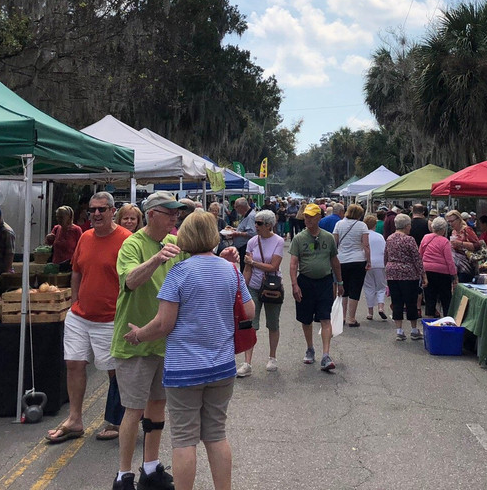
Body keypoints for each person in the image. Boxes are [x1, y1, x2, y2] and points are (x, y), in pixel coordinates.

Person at [125, 211, 252, 490]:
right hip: (222, 366)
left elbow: (163, 324)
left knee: (184, 439)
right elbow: (249, 311)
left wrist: (138, 335)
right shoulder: (230, 269)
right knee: (217, 435)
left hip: (184, 369)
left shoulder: (179, 273)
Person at [110, 191, 188, 490]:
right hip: (135, 341)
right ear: (152, 214)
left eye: (176, 213)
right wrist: (156, 259)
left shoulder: (172, 242)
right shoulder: (132, 244)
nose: (175, 217)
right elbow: (130, 280)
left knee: (157, 405)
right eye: (169, 213)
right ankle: (123, 474)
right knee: (133, 408)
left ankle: (151, 467)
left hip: (163, 339)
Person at [46, 192, 132, 451]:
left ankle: (119, 420)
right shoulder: (84, 237)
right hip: (80, 316)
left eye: (101, 210)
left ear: (112, 211)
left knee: (114, 371)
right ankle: (75, 420)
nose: (96, 214)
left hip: (110, 319)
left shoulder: (126, 240)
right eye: (92, 210)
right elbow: (76, 271)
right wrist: (75, 302)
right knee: (73, 363)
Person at [289, 200, 342, 371]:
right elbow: (293, 263)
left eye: (311, 217)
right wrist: (294, 284)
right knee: (306, 319)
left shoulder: (328, 237)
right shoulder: (299, 239)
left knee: (325, 317)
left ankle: (326, 355)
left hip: (325, 282)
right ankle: (310, 348)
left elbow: (334, 261)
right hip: (305, 281)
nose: (308, 220)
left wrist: (339, 282)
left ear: (319, 217)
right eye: (306, 217)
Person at [238, 209, 285, 376]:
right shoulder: (252, 242)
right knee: (250, 323)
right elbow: (248, 267)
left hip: (272, 286)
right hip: (254, 286)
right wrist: (243, 287)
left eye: (258, 223)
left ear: (269, 225)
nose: (255, 226)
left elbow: (274, 266)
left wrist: (253, 262)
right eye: (255, 223)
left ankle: (272, 357)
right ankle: (247, 362)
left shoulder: (278, 241)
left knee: (273, 323)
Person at [384, 213, 424, 340]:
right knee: (410, 301)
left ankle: (399, 331)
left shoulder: (389, 238)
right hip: (408, 273)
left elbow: (386, 255)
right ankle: (413, 329)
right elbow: (416, 258)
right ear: (407, 226)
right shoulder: (409, 239)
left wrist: (388, 267)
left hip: (392, 272)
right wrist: (423, 274)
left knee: (396, 301)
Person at [334, 204, 371, 327]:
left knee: (343, 288)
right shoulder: (362, 226)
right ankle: (352, 318)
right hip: (358, 260)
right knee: (355, 289)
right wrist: (369, 260)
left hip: (342, 259)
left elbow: (335, 243)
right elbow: (365, 245)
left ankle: (342, 316)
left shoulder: (339, 224)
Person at [419, 217, 457, 318]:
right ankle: (446, 320)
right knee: (446, 298)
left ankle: (429, 322)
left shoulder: (426, 237)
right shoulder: (444, 241)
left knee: (430, 297)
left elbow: (420, 254)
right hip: (442, 273)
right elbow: (449, 261)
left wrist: (421, 271)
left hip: (427, 270)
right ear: (443, 229)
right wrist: (454, 275)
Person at [363, 214, 387, 321]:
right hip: (380, 263)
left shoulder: (363, 236)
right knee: (381, 286)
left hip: (367, 263)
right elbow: (385, 250)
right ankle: (381, 307)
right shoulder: (379, 236)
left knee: (369, 287)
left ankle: (370, 311)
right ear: (375, 225)